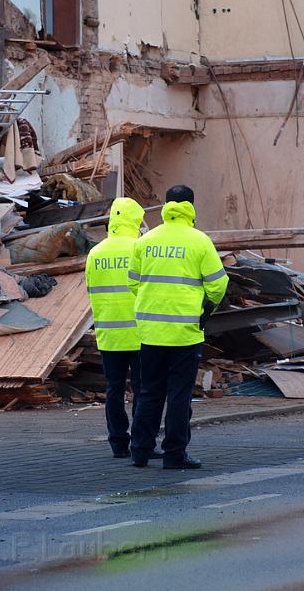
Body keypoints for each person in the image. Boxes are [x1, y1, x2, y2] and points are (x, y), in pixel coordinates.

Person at [128, 185, 229, 469]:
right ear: (192, 207)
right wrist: (206, 308)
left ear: (166, 206)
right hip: (185, 333)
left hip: (150, 333)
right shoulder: (199, 241)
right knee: (179, 396)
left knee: (149, 392)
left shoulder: (145, 241)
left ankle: (140, 451)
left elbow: (133, 282)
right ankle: (174, 454)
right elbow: (219, 284)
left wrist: (153, 307)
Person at [85, 197, 161, 459]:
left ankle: (118, 443)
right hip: (140, 333)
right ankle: (142, 443)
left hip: (109, 335)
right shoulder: (140, 248)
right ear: (134, 220)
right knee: (143, 391)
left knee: (113, 390)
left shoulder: (95, 253)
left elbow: (90, 290)